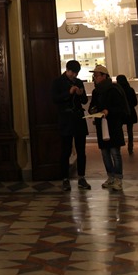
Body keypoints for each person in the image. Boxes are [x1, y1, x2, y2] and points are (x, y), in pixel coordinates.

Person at [51, 60, 91, 192]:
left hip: (78, 118)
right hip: (65, 119)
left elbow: (84, 101)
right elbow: (55, 99)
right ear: (67, 70)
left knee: (81, 150)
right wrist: (69, 92)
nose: (74, 75)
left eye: (76, 73)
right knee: (65, 151)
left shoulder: (78, 82)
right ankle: (65, 179)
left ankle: (81, 178)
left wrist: (80, 93)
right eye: (72, 73)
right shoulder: (58, 82)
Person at [89, 64, 129, 191]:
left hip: (113, 125)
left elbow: (120, 108)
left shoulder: (113, 89)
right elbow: (92, 106)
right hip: (101, 125)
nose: (95, 78)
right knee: (105, 153)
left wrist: (108, 111)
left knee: (115, 152)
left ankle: (118, 178)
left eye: (96, 75)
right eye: (94, 76)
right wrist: (93, 110)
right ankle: (110, 176)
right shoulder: (96, 91)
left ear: (104, 76)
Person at [116, 74, 138, 154]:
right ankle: (130, 147)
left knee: (119, 131)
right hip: (130, 112)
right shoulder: (130, 90)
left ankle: (118, 147)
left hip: (120, 113)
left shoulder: (117, 91)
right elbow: (135, 102)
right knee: (130, 131)